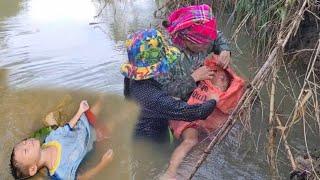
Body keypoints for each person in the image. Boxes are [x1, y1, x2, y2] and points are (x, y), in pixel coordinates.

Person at [120, 28, 219, 142]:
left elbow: (127, 97)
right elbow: (196, 112)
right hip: (151, 138)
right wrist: (213, 100)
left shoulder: (131, 77)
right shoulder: (154, 97)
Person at [163, 54, 245, 179]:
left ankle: (184, 175)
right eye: (220, 77)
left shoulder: (228, 94)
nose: (223, 81)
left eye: (225, 80)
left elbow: (237, 95)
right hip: (189, 120)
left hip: (206, 128)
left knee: (203, 149)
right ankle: (170, 172)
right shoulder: (203, 83)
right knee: (191, 140)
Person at [9, 100, 114, 180]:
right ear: (32, 169)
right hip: (93, 140)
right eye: (25, 150)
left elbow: (66, 128)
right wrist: (103, 164)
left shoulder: (50, 139)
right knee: (114, 123)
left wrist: (80, 111)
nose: (27, 143)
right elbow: (83, 177)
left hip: (83, 124)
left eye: (24, 142)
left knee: (100, 102)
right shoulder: (61, 173)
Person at [158, 4, 232, 102]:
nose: (207, 46)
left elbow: (217, 37)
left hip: (199, 89)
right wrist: (193, 78)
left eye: (209, 42)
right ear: (186, 39)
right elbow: (163, 92)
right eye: (203, 44)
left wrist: (225, 50)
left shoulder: (205, 37)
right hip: (181, 101)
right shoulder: (165, 56)